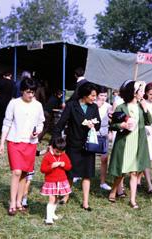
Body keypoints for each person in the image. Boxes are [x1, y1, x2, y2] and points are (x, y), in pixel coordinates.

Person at [0, 78, 45, 216]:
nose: (31, 95)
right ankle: (12, 202)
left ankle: (19, 201)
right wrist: (2, 142)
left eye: (33, 92)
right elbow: (7, 123)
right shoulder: (14, 103)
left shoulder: (38, 105)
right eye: (28, 92)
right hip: (14, 141)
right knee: (17, 172)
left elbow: (41, 122)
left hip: (30, 143)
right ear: (22, 91)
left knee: (24, 172)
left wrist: (38, 131)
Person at [51, 81, 100, 210]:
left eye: (95, 96)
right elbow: (61, 123)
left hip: (88, 145)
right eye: (93, 95)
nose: (94, 98)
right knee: (70, 172)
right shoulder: (71, 105)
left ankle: (85, 202)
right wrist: (54, 142)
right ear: (84, 95)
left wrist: (93, 124)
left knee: (87, 173)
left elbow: (98, 123)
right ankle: (66, 195)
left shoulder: (94, 107)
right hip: (73, 143)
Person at [107, 80, 152, 209]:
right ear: (134, 92)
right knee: (121, 172)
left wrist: (145, 108)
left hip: (137, 143)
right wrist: (122, 125)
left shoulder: (141, 107)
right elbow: (113, 125)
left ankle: (133, 200)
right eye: (141, 91)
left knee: (134, 172)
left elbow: (149, 121)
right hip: (124, 143)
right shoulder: (122, 107)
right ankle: (114, 190)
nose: (143, 93)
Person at [40, 137, 72, 225]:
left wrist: (64, 165)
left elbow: (69, 167)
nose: (59, 154)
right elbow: (42, 169)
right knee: (51, 199)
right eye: (57, 151)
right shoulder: (47, 157)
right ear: (52, 148)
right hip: (51, 181)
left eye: (61, 152)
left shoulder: (64, 156)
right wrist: (51, 166)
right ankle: (48, 219)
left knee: (56, 198)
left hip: (61, 180)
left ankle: (52, 213)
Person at [96, 85, 113, 191]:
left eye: (105, 96)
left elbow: (112, 120)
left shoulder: (108, 106)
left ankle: (102, 182)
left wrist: (110, 131)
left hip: (104, 132)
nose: (103, 98)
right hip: (92, 132)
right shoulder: (93, 104)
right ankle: (79, 175)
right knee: (87, 155)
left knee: (104, 158)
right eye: (101, 95)